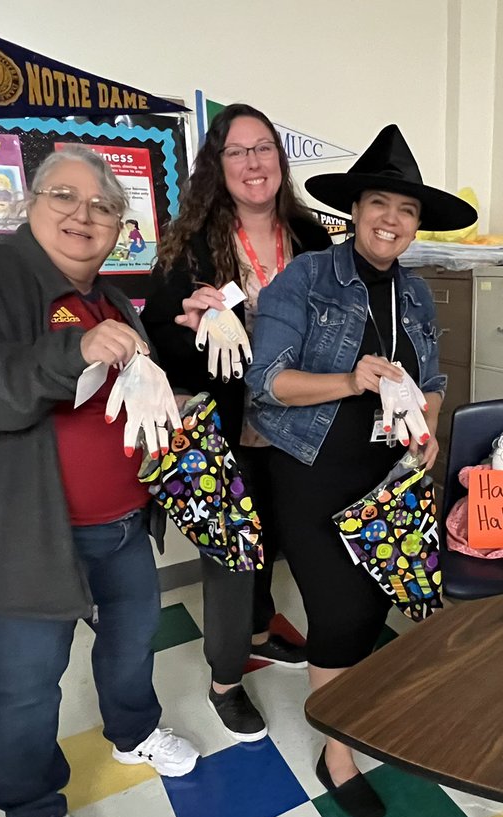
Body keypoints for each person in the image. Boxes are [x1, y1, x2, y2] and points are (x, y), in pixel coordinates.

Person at [0, 146, 199, 817]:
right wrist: (72, 350)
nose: (83, 215)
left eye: (104, 206)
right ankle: (30, 813)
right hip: (22, 540)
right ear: (29, 203)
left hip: (121, 526)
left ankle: (133, 731)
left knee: (131, 643)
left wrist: (173, 395)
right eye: (65, 196)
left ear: (119, 227)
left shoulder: (113, 298)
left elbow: (118, 399)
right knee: (23, 686)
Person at [243, 124, 476, 817]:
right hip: (313, 473)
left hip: (388, 478)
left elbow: (432, 382)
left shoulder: (418, 294)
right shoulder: (306, 279)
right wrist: (350, 380)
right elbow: (266, 382)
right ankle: (336, 753)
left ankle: (355, 716)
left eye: (406, 210)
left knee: (374, 608)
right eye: (379, 203)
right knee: (339, 615)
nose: (391, 220)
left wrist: (427, 426)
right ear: (354, 210)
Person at [142, 104, 330, 743]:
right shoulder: (192, 244)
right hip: (226, 427)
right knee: (231, 556)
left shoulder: (308, 236)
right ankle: (225, 680)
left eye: (264, 148)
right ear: (217, 166)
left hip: (297, 423)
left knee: (272, 538)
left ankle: (259, 632)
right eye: (237, 151)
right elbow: (159, 338)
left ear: (280, 157)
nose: (254, 162)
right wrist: (191, 324)